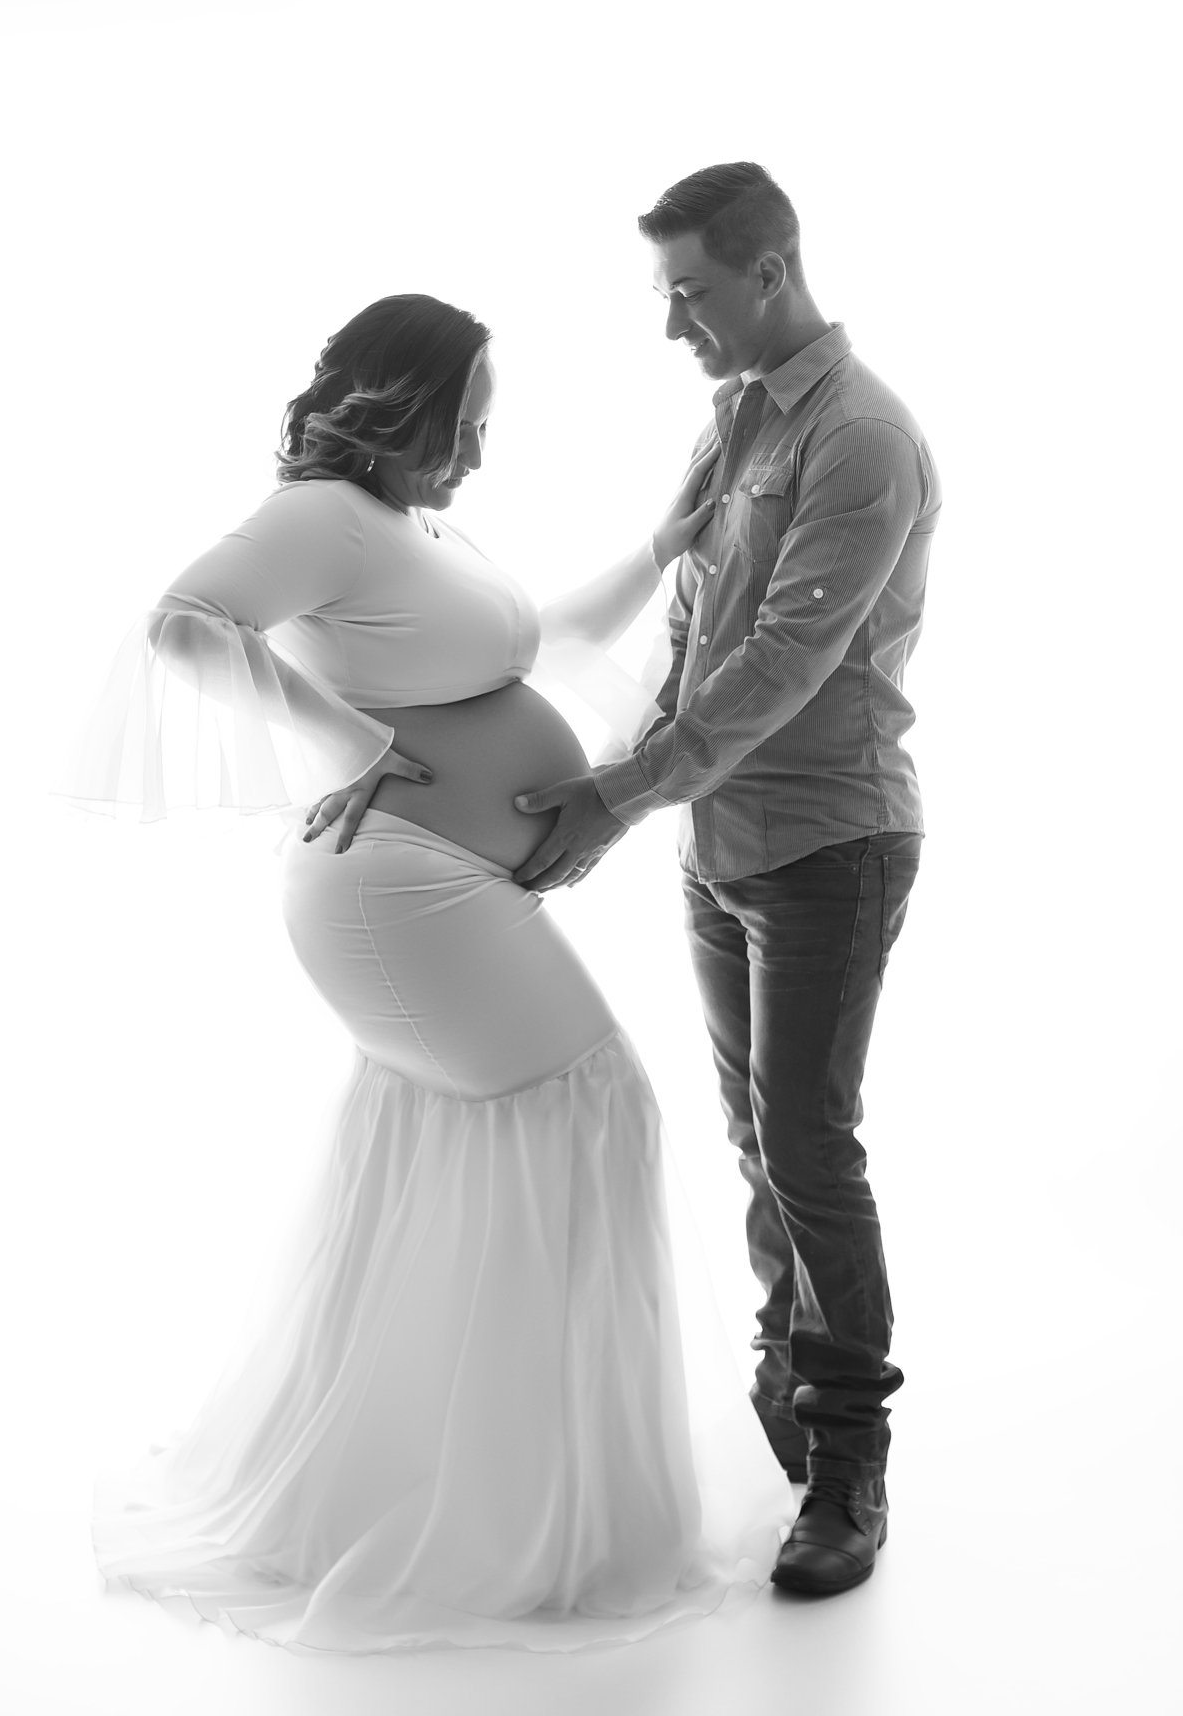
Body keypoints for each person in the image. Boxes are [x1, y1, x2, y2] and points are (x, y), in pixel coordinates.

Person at [61, 292, 791, 1652]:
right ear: (393, 408)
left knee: (465, 1146)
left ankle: (470, 1490)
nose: (475, 453)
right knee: (593, 1111)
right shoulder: (326, 513)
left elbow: (531, 645)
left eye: (483, 427)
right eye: (461, 424)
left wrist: (662, 547)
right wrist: (342, 739)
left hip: (427, 890)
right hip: (393, 888)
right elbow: (184, 622)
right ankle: (523, 1514)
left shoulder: (412, 528)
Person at [515, 163, 941, 1597]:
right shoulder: (736, 418)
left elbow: (781, 665)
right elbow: (693, 636)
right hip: (718, 844)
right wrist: (615, 791)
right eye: (665, 295)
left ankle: (848, 1468)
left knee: (809, 1145)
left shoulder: (862, 437)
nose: (672, 326)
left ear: (771, 271)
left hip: (830, 844)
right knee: (758, 1139)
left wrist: (617, 797)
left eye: (690, 293)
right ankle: (786, 1376)